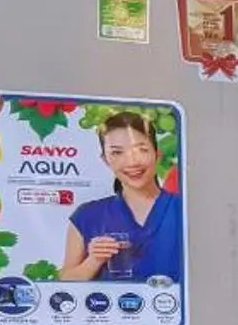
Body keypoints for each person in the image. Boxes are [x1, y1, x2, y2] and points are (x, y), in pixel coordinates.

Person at [59, 110, 184, 284]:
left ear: (157, 154)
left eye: (141, 150)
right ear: (105, 160)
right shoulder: (87, 216)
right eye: (117, 153)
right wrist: (93, 261)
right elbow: (65, 283)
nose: (132, 162)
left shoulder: (184, 209)